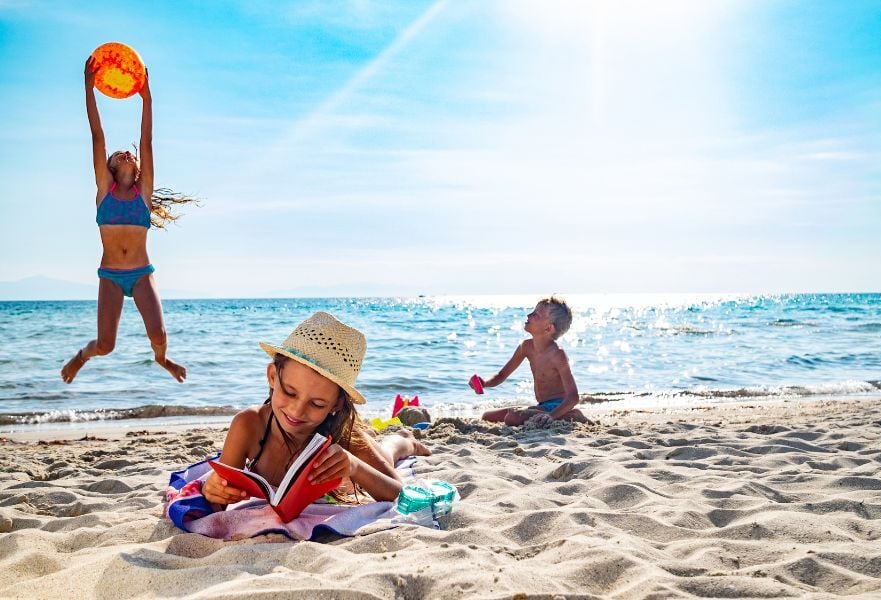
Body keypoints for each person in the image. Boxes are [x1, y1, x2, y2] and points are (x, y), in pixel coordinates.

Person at [202, 312, 431, 508]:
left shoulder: (343, 435)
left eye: (317, 404)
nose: (297, 411)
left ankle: (403, 440)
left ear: (336, 404)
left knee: (386, 454)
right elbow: (218, 497)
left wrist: (355, 466)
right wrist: (213, 490)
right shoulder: (248, 425)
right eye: (290, 392)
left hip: (352, 440)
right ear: (273, 377)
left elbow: (399, 492)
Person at [61, 57, 195, 384]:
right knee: (105, 345)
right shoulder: (103, 190)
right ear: (107, 165)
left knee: (160, 334)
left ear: (137, 170)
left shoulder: (143, 194)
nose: (126, 153)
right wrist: (88, 87)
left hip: (140, 273)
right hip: (109, 274)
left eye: (130, 154)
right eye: (118, 153)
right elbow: (97, 135)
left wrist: (146, 98)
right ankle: (82, 356)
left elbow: (145, 140)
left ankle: (162, 360)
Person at [474, 296, 588, 425]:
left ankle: (572, 415)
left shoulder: (557, 354)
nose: (528, 315)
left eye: (536, 315)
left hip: (557, 407)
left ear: (548, 328)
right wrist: (484, 383)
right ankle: (543, 413)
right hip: (542, 406)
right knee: (487, 416)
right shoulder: (526, 347)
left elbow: (573, 397)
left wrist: (551, 416)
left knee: (512, 418)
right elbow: (501, 376)